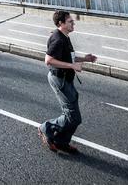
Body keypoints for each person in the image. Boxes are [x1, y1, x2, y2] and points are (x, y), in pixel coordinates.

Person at [38, 10, 97, 154]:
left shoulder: (65, 37)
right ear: (61, 24)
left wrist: (85, 59)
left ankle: (61, 142)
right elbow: (49, 60)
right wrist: (72, 66)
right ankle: (46, 128)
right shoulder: (58, 40)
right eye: (70, 21)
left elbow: (68, 57)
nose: (73, 23)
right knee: (72, 116)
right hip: (59, 80)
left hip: (66, 79)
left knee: (74, 117)